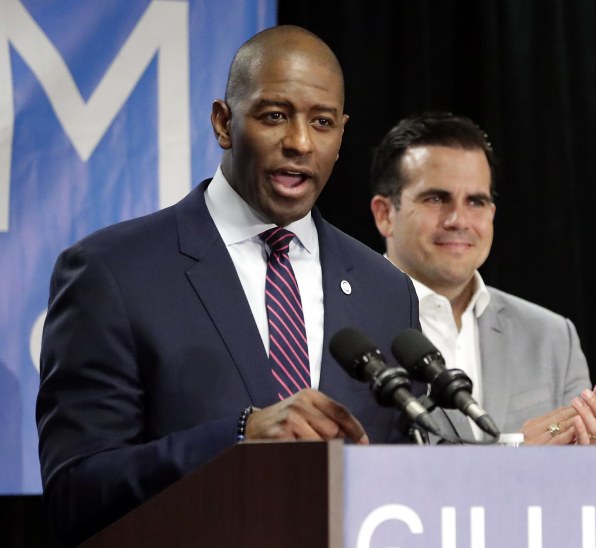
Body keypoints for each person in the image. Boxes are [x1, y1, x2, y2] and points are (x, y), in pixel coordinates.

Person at [36, 26, 421, 545]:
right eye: (274, 115)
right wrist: (239, 436)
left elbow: (408, 481)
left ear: (341, 135)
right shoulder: (113, 272)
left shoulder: (386, 290)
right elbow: (75, 493)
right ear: (223, 122)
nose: (300, 143)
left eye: (322, 122)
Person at [369, 112, 596, 444]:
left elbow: (593, 480)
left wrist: (591, 441)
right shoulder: (346, 330)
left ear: (491, 214)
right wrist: (512, 455)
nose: (459, 220)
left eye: (476, 201)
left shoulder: (551, 336)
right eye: (436, 198)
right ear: (385, 215)